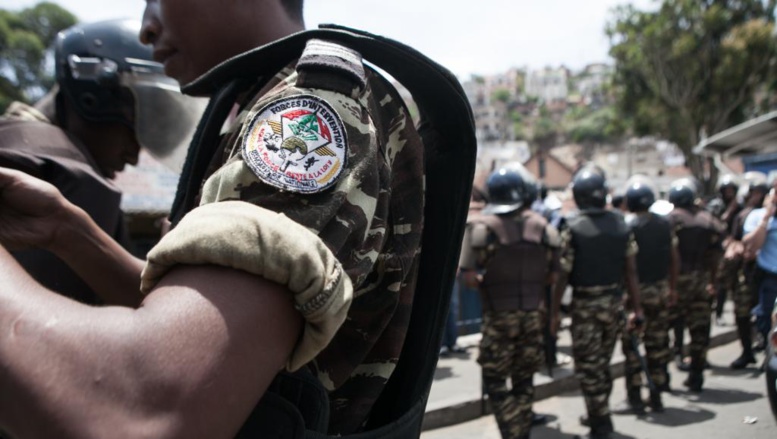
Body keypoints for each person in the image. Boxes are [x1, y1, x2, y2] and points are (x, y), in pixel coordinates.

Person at [0, 0, 460, 436]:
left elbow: (140, 409)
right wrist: (71, 233)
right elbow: (203, 312)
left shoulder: (311, 105)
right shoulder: (249, 103)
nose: (147, 27)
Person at [0, 19, 201, 305]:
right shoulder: (69, 181)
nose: (133, 156)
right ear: (94, 96)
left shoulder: (11, 141)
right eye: (134, 133)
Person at [459, 166, 560, 439]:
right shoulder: (545, 229)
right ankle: (522, 430)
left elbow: (467, 278)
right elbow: (553, 275)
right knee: (524, 379)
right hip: (532, 316)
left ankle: (512, 430)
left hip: (498, 318)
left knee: (495, 379)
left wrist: (486, 281)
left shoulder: (481, 228)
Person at [550, 165, 644, 439]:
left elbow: (563, 275)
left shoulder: (572, 225)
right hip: (613, 306)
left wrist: (554, 313)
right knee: (600, 363)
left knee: (589, 367)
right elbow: (631, 272)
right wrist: (636, 308)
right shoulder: (620, 223)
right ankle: (597, 414)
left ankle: (602, 423)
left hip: (586, 309)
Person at [613, 176, 679, 415]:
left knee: (633, 349)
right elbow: (674, 259)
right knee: (658, 344)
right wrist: (672, 288)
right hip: (660, 293)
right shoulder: (664, 225)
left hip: (635, 297)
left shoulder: (625, 226)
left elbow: (626, 267)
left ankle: (635, 398)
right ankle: (657, 394)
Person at [666, 177, 724, 392]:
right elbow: (716, 255)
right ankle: (696, 375)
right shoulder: (708, 221)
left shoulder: (670, 220)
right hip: (701, 280)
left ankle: (661, 377)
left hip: (676, 283)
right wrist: (713, 281)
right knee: (700, 331)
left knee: (664, 328)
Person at [725, 174, 768, 369]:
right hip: (748, 272)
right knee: (742, 312)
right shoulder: (744, 215)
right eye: (754, 192)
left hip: (769, 273)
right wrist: (736, 249)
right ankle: (747, 351)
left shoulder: (769, 216)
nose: (755, 196)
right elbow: (734, 240)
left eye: (759, 193)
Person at [743, 180, 777, 371]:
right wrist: (766, 218)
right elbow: (752, 245)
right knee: (766, 322)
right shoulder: (757, 217)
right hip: (770, 279)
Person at [709, 174, 743, 326]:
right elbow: (718, 224)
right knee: (720, 284)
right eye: (726, 189)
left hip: (736, 249)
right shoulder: (716, 205)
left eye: (731, 189)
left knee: (737, 285)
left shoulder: (740, 206)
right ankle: (718, 313)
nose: (729, 192)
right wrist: (731, 209)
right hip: (719, 251)